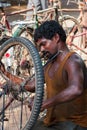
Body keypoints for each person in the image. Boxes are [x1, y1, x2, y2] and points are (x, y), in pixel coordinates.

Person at [0, 20, 87, 130]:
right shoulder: (50, 63)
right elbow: (31, 85)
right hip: (54, 121)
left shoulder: (72, 60)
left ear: (56, 38)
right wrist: (6, 73)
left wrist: (45, 103)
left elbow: (76, 89)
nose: (41, 50)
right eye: (39, 46)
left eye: (43, 44)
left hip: (75, 124)